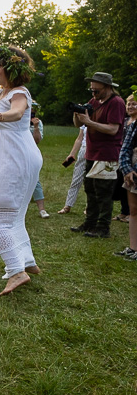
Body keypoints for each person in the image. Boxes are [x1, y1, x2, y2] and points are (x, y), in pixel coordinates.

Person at [0, 46, 42, 295]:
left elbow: (16, 112)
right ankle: (27, 261)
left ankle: (16, 271)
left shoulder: (19, 92)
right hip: (16, 155)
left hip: (17, 156)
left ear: (13, 68)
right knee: (15, 214)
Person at [70, 72, 126, 238]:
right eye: (91, 90)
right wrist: (77, 113)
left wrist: (89, 122)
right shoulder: (93, 102)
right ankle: (90, 222)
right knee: (90, 189)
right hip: (92, 152)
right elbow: (78, 124)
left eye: (96, 91)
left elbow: (113, 129)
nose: (93, 94)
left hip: (107, 153)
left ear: (108, 88)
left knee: (103, 192)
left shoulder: (116, 102)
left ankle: (103, 228)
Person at [115, 93, 137, 260]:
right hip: (134, 170)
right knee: (134, 210)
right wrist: (127, 169)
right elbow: (125, 148)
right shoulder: (131, 125)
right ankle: (133, 248)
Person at [58, 125, 87, 214]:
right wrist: (72, 154)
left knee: (92, 181)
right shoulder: (84, 120)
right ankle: (67, 205)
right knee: (76, 179)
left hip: (97, 151)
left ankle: (89, 207)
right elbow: (79, 139)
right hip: (84, 149)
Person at [29, 107, 50, 218]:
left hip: (31, 153)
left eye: (33, 112)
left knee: (35, 180)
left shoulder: (38, 123)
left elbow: (37, 140)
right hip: (16, 153)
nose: (31, 114)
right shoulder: (16, 120)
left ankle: (42, 210)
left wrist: (35, 126)